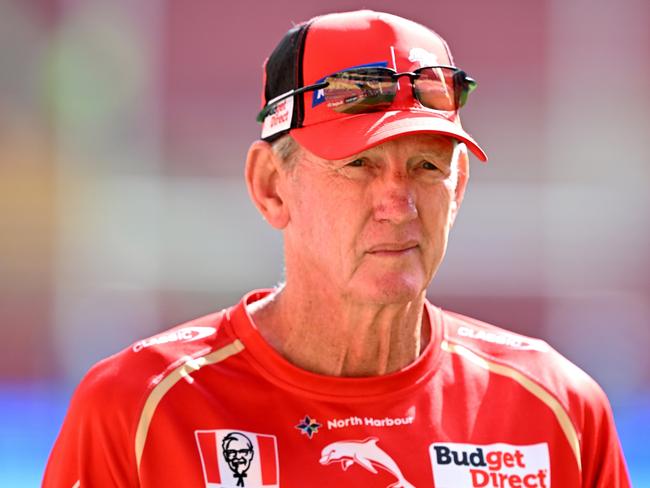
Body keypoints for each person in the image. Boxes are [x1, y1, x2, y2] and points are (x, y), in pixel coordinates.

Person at [43, 10, 631, 488]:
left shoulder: (558, 410)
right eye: (359, 166)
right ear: (271, 186)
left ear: (458, 190)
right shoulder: (137, 411)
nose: (397, 204)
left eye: (427, 166)